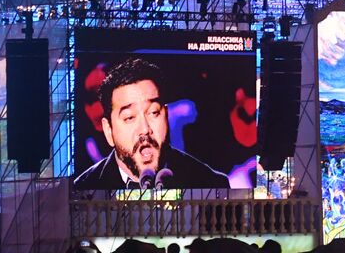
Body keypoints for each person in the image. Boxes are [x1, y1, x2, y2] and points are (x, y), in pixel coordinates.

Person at [73, 56, 230, 190]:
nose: (145, 129)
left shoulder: (211, 184)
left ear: (166, 116)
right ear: (109, 131)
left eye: (153, 112)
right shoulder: (83, 188)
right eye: (129, 118)